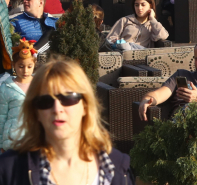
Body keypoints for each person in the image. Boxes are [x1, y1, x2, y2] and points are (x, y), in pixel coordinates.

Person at [0, 58, 134, 184]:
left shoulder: (117, 168)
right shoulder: (10, 169)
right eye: (45, 101)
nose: (57, 109)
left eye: (68, 98)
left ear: (85, 106)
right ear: (36, 111)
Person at [0, 39, 36, 150]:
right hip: (12, 142)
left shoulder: (40, 85)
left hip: (35, 140)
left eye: (29, 66)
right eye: (21, 66)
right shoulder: (6, 87)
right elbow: (1, 116)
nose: (25, 70)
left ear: (34, 65)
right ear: (13, 65)